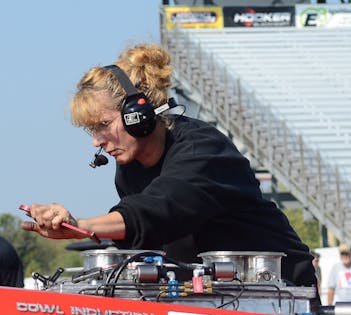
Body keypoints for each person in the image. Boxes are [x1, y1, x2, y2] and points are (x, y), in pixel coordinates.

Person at [20, 43, 317, 289]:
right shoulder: (130, 170)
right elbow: (146, 236)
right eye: (91, 130)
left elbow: (159, 210)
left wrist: (82, 226)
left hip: (281, 289)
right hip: (216, 296)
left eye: (104, 124)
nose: (97, 141)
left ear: (137, 114)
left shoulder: (202, 149)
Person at [324, 243, 351, 311]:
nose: (344, 256)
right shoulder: (336, 268)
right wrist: (329, 306)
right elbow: (331, 289)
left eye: (347, 253)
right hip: (342, 303)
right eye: (342, 254)